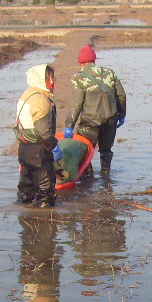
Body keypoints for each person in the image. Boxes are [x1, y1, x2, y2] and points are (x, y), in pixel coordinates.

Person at [63, 45, 126, 176]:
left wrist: (69, 125)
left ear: (80, 62)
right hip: (110, 120)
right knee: (106, 151)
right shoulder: (110, 73)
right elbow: (121, 96)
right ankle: (106, 176)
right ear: (94, 60)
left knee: (85, 150)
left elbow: (77, 103)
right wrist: (121, 114)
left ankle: (87, 177)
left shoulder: (79, 78)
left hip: (89, 122)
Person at [15, 64, 63, 208]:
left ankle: (25, 224)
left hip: (24, 150)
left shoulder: (28, 94)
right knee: (46, 195)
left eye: (52, 77)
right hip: (38, 152)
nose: (52, 81)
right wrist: (54, 146)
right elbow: (44, 133)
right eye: (47, 78)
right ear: (40, 80)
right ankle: (45, 226)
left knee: (26, 192)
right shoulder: (41, 100)